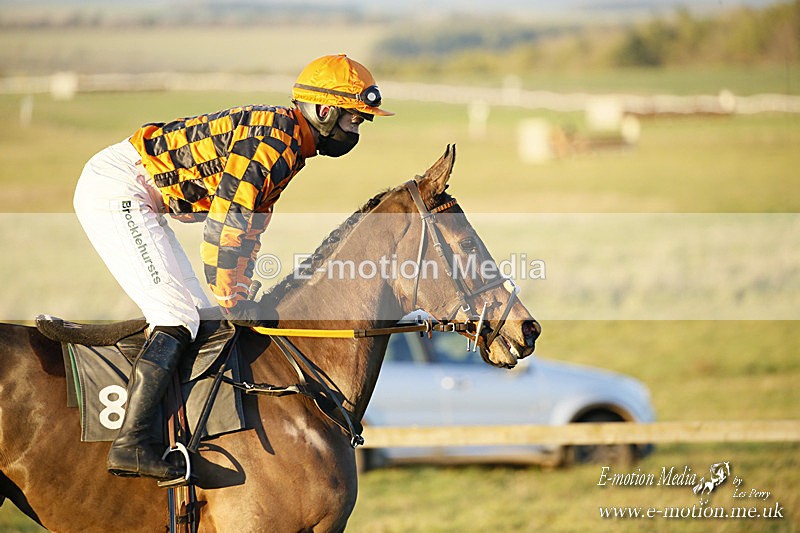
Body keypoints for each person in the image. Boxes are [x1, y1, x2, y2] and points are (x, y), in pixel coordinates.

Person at [72, 54, 393, 481]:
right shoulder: (277, 140)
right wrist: (231, 297)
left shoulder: (290, 144)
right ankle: (131, 443)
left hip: (140, 194)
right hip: (119, 189)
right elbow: (227, 224)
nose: (357, 130)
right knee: (177, 316)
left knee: (201, 317)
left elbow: (250, 227)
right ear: (324, 111)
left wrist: (236, 295)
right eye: (354, 119)